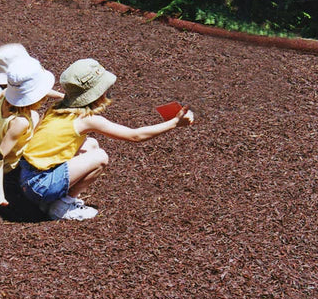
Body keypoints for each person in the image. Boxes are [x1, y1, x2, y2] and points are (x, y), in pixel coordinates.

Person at [18, 58, 194, 221]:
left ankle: (50, 198)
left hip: (26, 177)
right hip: (40, 186)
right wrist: (175, 123)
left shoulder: (57, 107)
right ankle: (62, 206)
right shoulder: (86, 119)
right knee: (100, 157)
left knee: (90, 145)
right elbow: (135, 136)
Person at [0, 56, 56, 208]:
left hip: (10, 144)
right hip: (13, 168)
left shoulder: (5, 97)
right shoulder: (20, 122)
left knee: (37, 115)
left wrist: (64, 96)